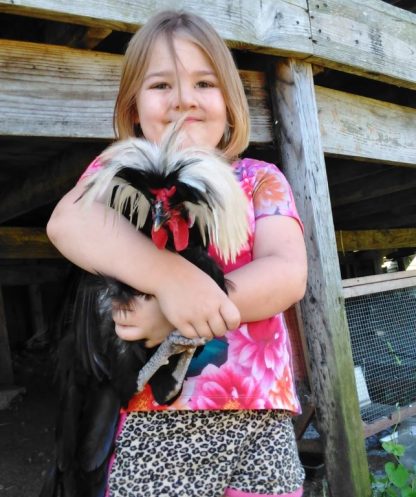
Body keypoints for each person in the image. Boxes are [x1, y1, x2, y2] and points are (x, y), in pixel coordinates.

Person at [47, 10, 308, 497]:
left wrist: (178, 313)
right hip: (157, 420)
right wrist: (170, 280)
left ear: (230, 104)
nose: (184, 99)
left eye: (204, 83)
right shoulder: (119, 171)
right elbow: (67, 223)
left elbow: (288, 273)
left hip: (262, 416)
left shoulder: (257, 178)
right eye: (161, 85)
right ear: (133, 107)